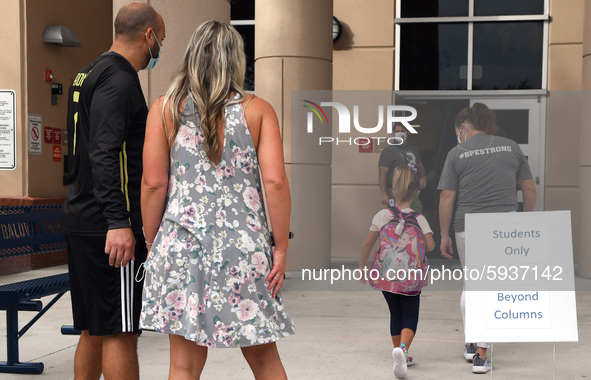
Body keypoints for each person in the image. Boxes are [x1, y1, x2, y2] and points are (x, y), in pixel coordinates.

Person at [139, 20, 294, 379]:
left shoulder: (165, 109)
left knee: (183, 363)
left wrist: (152, 242)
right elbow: (275, 183)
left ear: (192, 55)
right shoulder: (258, 110)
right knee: (265, 358)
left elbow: (152, 184)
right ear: (235, 60)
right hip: (244, 248)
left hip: (182, 243)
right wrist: (281, 248)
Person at [62, 3, 165, 379]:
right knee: (121, 330)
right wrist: (118, 221)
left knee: (93, 327)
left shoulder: (87, 73)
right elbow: (103, 151)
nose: (159, 50)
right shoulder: (120, 80)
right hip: (110, 228)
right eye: (161, 40)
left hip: (82, 217)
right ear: (148, 36)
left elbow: (78, 154)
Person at [438, 102, 536, 374]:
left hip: (466, 225)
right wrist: (527, 222)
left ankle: (471, 345)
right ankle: (481, 355)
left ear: (464, 127)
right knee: (491, 286)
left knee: (471, 283)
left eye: (459, 129)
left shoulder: (457, 152)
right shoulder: (511, 146)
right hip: (502, 225)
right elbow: (528, 188)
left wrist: (444, 233)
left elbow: (447, 196)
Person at [360, 165, 435, 379]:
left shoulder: (382, 215)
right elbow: (429, 246)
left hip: (386, 278)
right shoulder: (419, 219)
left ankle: (399, 354)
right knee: (410, 315)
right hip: (410, 279)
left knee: (396, 313)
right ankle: (403, 350)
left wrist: (362, 267)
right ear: (417, 192)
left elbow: (367, 244)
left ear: (394, 190)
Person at [378, 123, 427, 210]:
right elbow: (382, 173)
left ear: (407, 133)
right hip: (395, 190)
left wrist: (422, 177)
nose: (400, 133)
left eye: (402, 131)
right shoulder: (389, 151)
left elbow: (420, 166)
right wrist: (384, 193)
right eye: (397, 131)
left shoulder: (413, 149)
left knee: (417, 211)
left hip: (411, 189)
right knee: (397, 215)